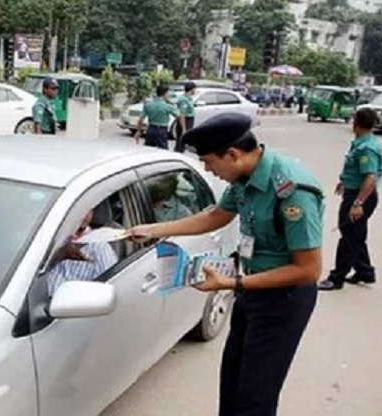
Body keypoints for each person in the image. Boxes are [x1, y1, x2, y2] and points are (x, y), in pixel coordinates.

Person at [127, 112, 324, 416]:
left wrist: (232, 284)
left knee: (255, 398)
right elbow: (215, 216)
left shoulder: (292, 190)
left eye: (209, 161)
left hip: (282, 301)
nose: (207, 169)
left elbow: (308, 270)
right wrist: (154, 230)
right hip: (250, 291)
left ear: (232, 154)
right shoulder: (244, 178)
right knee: (232, 382)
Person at [318, 108, 382, 291]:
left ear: (356, 123)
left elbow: (371, 176)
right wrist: (344, 182)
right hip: (356, 192)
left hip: (360, 196)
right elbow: (356, 171)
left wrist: (358, 203)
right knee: (356, 235)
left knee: (348, 236)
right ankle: (365, 271)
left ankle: (336, 277)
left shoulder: (366, 148)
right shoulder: (362, 142)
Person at [46, 209, 118, 296]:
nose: (84, 215)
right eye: (78, 210)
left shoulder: (99, 247)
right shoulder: (45, 241)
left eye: (88, 210)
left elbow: (109, 287)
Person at [135, 84, 180, 149]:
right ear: (165, 93)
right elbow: (178, 115)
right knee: (163, 150)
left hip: (151, 129)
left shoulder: (148, 105)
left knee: (148, 149)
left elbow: (141, 120)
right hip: (162, 130)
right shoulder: (167, 106)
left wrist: (138, 131)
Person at [174, 81, 197, 153]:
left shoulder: (188, 98)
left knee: (184, 142)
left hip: (189, 120)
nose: (195, 90)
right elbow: (182, 114)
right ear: (191, 89)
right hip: (185, 121)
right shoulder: (183, 99)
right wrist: (184, 128)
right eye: (194, 89)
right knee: (181, 142)